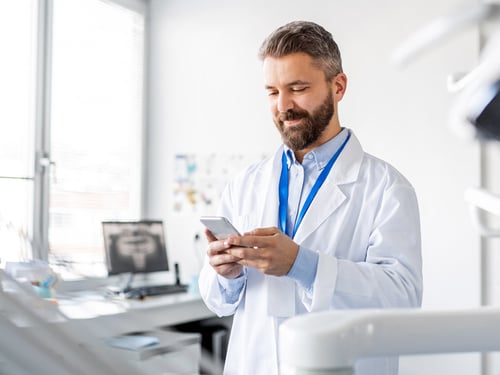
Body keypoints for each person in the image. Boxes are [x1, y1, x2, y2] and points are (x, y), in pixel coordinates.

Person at [199, 20, 422, 375]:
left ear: (338, 86)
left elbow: (403, 298)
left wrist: (304, 265)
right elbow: (218, 302)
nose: (283, 106)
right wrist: (226, 274)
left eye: (298, 88)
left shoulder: (387, 188)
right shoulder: (245, 184)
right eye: (272, 92)